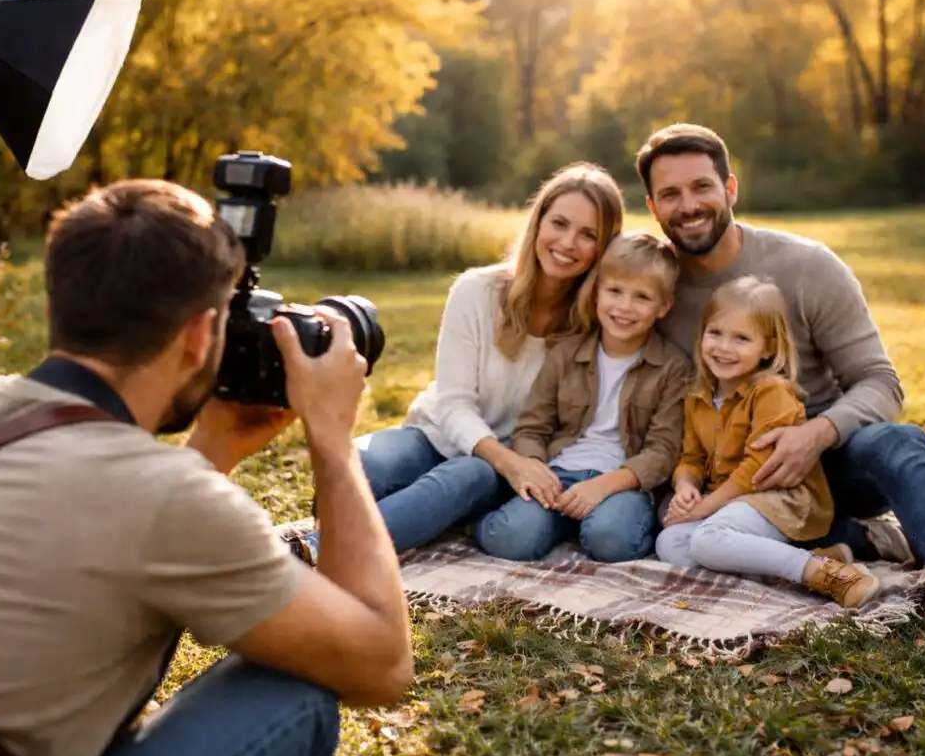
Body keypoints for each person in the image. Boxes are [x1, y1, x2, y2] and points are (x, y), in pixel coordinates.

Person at [0, 179, 414, 756]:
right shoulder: (168, 498)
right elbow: (382, 665)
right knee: (294, 692)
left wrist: (215, 444)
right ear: (202, 334)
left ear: (56, 310)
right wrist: (333, 443)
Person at [635, 122, 925, 645]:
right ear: (653, 208)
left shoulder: (807, 266)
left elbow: (880, 381)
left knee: (897, 440)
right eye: (670, 194)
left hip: (829, 461)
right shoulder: (653, 292)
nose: (688, 205)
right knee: (680, 540)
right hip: (734, 476)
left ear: (730, 189)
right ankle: (846, 545)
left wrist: (816, 434)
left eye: (701, 186)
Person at [289, 162, 626, 564]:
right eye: (560, 223)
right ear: (538, 222)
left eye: (588, 235)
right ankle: (399, 517)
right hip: (436, 433)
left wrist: (514, 464)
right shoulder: (476, 290)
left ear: (603, 248)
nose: (568, 242)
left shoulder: (595, 322)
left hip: (506, 461)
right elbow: (452, 404)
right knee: (363, 464)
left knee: (464, 476)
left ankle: (321, 549)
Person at [655, 275, 882, 608]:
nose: (723, 347)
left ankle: (828, 574)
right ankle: (811, 560)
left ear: (769, 348)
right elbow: (691, 456)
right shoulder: (698, 396)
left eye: (741, 339)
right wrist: (686, 487)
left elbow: (757, 467)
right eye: (715, 333)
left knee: (708, 539)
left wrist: (706, 506)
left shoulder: (771, 391)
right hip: (729, 503)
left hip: (777, 497)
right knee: (670, 543)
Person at [472, 232, 692, 562]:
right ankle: (547, 521)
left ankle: (592, 522)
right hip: (559, 473)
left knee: (611, 540)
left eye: (642, 297)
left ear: (664, 307)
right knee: (511, 538)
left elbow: (663, 450)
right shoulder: (565, 354)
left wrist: (603, 487)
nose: (624, 307)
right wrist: (534, 468)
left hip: (623, 483)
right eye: (615, 291)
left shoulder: (673, 367)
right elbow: (533, 426)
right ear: (597, 294)